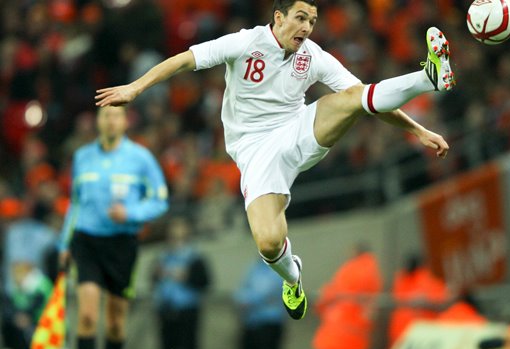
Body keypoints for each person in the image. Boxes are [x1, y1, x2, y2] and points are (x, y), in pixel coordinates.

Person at [95, 0, 454, 321]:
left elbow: (364, 97)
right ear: (279, 17)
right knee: (268, 242)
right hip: (254, 151)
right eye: (300, 18)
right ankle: (292, 275)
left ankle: (428, 76)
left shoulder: (313, 56)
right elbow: (184, 60)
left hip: (298, 131)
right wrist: (135, 88)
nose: (306, 28)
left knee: (349, 97)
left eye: (312, 21)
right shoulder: (245, 42)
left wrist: (418, 130)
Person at [58, 106, 168, 349]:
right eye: (105, 115)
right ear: (97, 120)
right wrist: (64, 243)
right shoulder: (82, 157)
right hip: (87, 241)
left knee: (117, 320)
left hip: (122, 244)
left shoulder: (141, 158)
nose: (110, 120)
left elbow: (160, 200)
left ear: (125, 122)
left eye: (116, 115)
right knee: (88, 315)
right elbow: (75, 203)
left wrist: (131, 213)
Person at [312, 243, 382, 349]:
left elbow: (334, 292)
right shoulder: (373, 272)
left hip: (339, 326)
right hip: (356, 331)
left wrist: (320, 304)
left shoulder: (350, 269)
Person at [152, 217, 211, 349]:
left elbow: (205, 281)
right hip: (166, 308)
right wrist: (157, 274)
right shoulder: (163, 257)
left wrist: (187, 276)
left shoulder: (195, 257)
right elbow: (152, 278)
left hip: (187, 309)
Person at [234, 258, 287, 349]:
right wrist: (241, 299)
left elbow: (268, 291)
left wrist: (248, 301)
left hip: (270, 322)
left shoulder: (281, 269)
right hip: (251, 321)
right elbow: (243, 287)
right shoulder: (255, 267)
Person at [1, 261, 53, 349]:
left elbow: (37, 305)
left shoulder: (41, 285)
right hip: (30, 322)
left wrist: (26, 317)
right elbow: (13, 306)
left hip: (45, 325)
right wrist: (17, 317)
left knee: (28, 333)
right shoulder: (20, 288)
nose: (15, 278)